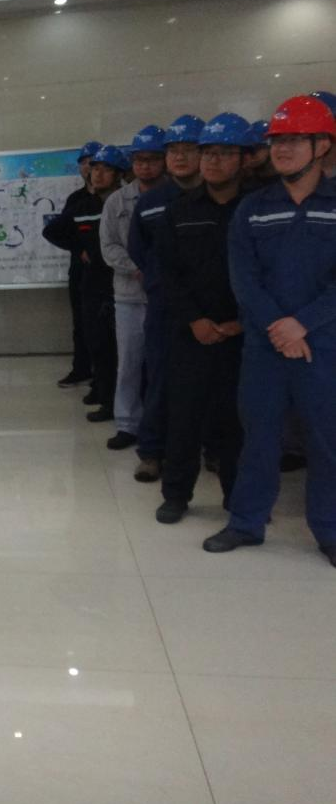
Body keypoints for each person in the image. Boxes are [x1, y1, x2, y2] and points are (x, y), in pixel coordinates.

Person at [204, 95, 336, 566]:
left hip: (324, 345)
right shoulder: (254, 208)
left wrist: (303, 324)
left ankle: (329, 529)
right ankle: (246, 522)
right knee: (258, 438)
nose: (281, 148)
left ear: (322, 145)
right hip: (265, 347)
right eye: (277, 140)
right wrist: (280, 327)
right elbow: (243, 279)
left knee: (327, 440)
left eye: (295, 139)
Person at [153, 113, 250, 524]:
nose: (213, 161)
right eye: (207, 152)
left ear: (243, 159)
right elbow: (166, 273)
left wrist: (243, 321)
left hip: (244, 333)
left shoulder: (255, 207)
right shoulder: (179, 210)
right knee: (184, 417)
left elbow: (268, 272)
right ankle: (176, 494)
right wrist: (195, 319)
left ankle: (238, 497)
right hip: (190, 332)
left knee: (236, 421)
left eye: (224, 153)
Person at [126, 114, 206, 482]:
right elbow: (138, 248)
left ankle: (214, 449)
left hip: (213, 307)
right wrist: (160, 280)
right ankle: (152, 452)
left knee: (215, 383)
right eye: (173, 150)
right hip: (165, 306)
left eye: (188, 149)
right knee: (159, 378)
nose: (180, 157)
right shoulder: (152, 202)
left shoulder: (222, 200)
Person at [100, 125, 165, 450]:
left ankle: (164, 424)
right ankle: (127, 423)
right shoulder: (117, 201)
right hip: (129, 295)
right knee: (129, 362)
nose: (145, 166)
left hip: (166, 296)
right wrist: (137, 268)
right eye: (139, 160)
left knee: (163, 366)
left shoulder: (176, 197)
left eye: (152, 160)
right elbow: (109, 246)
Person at [72, 144, 128, 424]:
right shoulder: (83, 205)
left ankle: (127, 407)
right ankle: (107, 401)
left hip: (125, 286)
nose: (98, 173)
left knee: (125, 352)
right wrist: (79, 249)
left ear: (119, 174)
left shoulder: (128, 202)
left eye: (106, 169)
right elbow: (57, 229)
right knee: (100, 347)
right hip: (94, 287)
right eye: (95, 168)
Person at [49, 140, 101, 390]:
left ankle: (106, 376)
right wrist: (79, 250)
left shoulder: (117, 197)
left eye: (94, 163)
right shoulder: (76, 199)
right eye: (84, 163)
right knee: (81, 322)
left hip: (112, 273)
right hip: (82, 271)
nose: (89, 168)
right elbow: (58, 231)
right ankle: (81, 369)